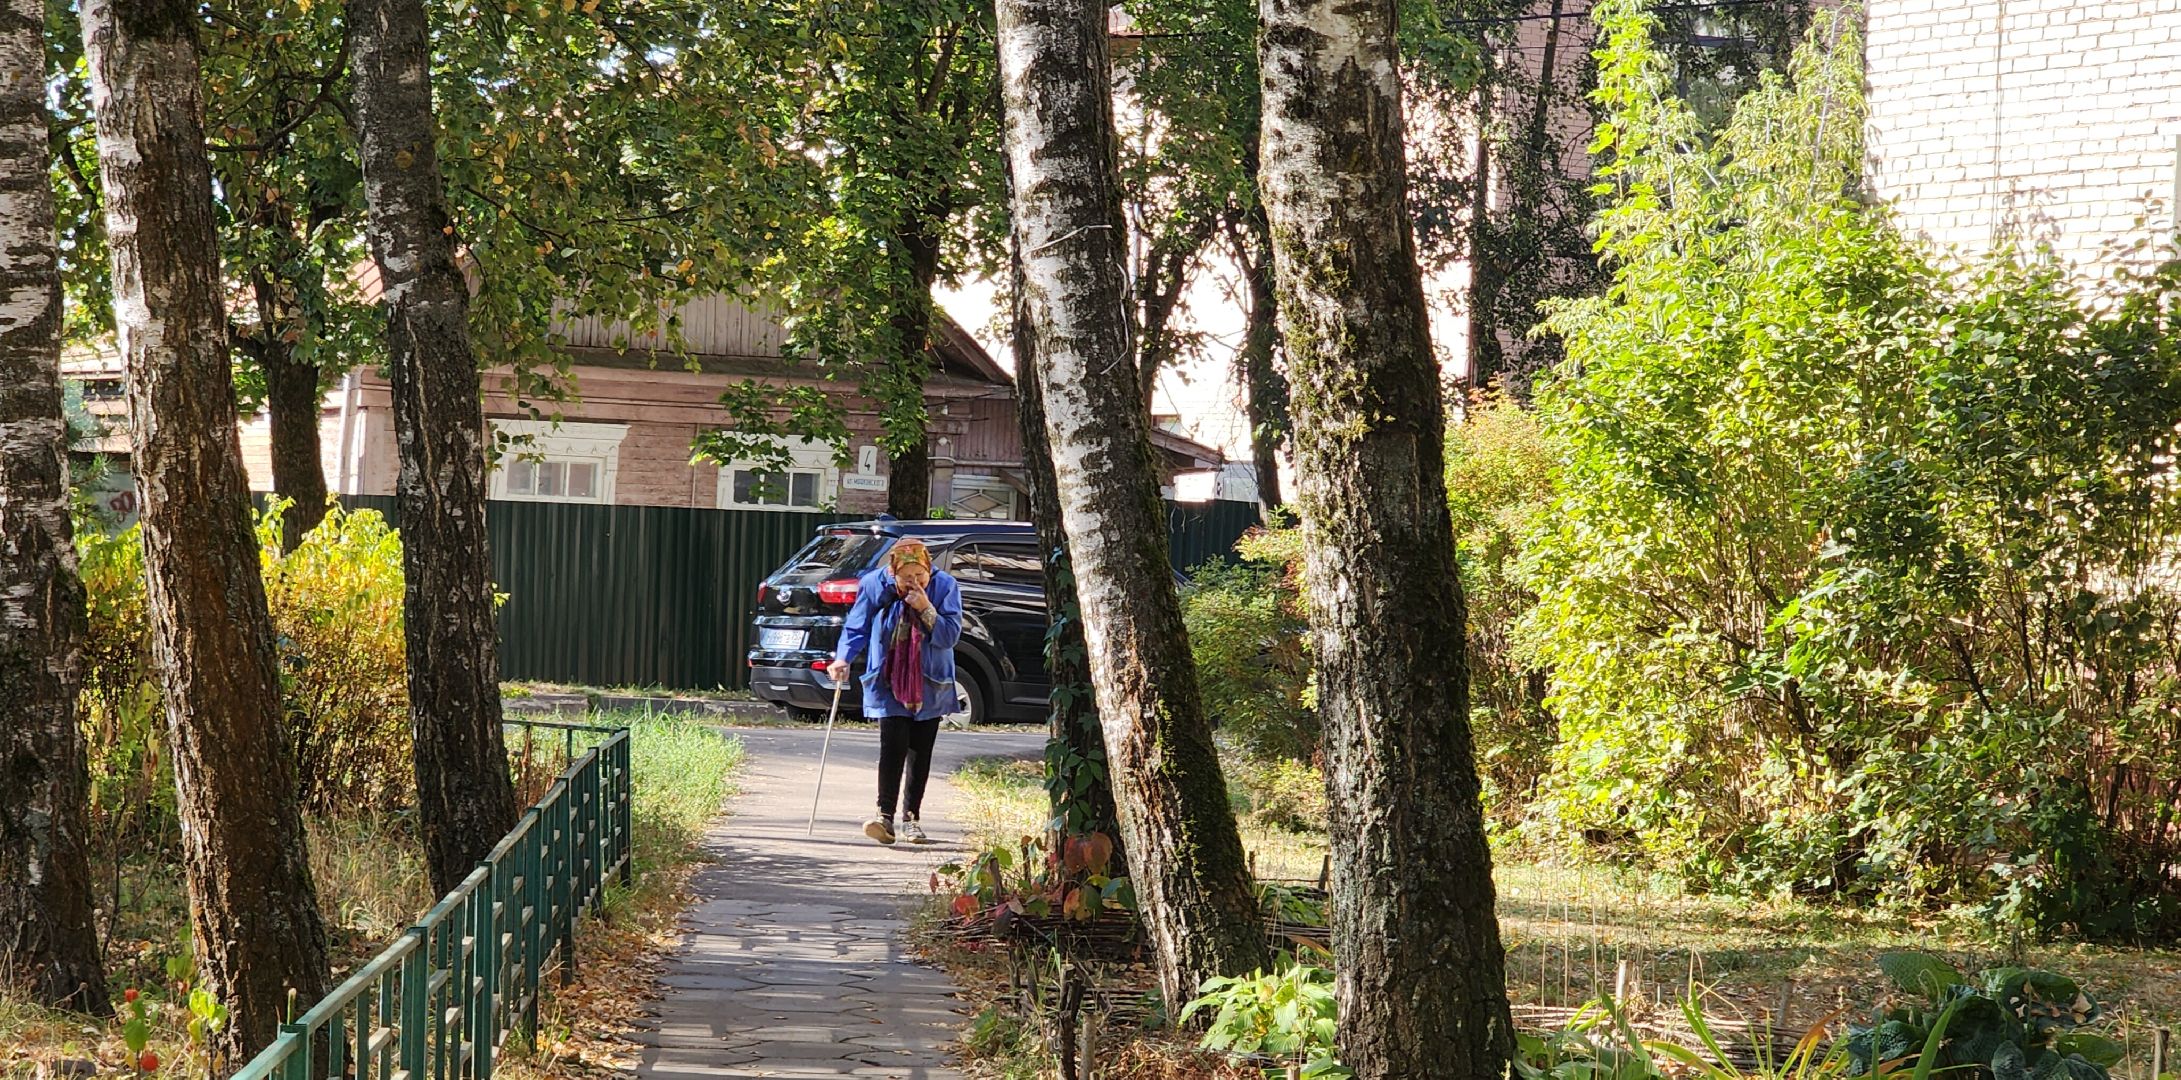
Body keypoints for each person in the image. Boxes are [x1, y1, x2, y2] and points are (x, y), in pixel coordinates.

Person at [826, 538, 962, 845]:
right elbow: (857, 625)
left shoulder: (945, 586)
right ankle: (883, 818)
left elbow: (949, 636)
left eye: (920, 577)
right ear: (893, 571)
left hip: (929, 679)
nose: (914, 583)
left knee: (920, 749)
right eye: (907, 578)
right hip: (888, 675)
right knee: (893, 745)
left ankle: (911, 820)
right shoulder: (875, 584)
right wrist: (843, 658)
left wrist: (925, 607)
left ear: (929, 569)